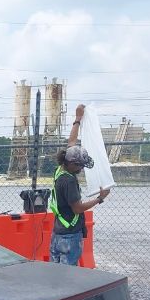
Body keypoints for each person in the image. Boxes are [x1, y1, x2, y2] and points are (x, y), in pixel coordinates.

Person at [49, 104, 111, 265]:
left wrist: (77, 119)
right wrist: (100, 198)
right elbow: (77, 208)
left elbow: (71, 142)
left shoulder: (60, 169)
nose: (82, 169)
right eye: (80, 166)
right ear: (72, 164)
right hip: (70, 234)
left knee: (55, 272)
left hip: (58, 232)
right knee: (69, 274)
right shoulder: (68, 180)